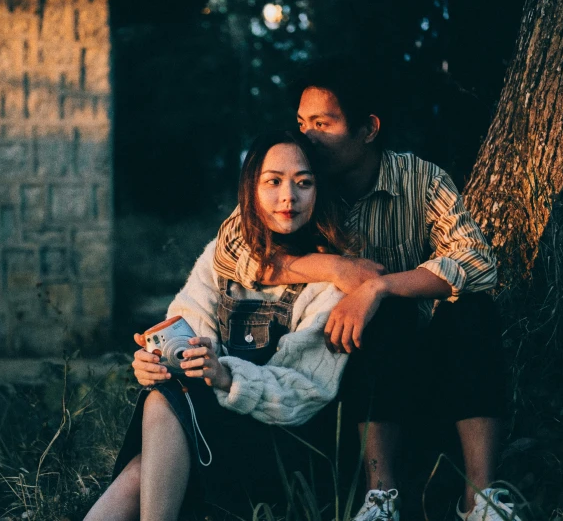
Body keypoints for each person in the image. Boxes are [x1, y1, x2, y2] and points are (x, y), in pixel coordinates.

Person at [212, 57, 520, 521]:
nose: (307, 136)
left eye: (323, 123)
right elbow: (232, 248)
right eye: (301, 122)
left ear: (368, 129)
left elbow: (476, 260)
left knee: (467, 310)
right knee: (383, 316)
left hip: (429, 376)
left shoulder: (419, 179)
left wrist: (376, 287)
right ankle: (380, 498)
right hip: (336, 382)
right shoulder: (300, 183)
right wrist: (334, 267)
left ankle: (481, 499)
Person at [84, 130, 352, 520]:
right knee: (163, 399)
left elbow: (306, 393)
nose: (288, 197)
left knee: (156, 449)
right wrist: (159, 360)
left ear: (319, 189)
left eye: (303, 183)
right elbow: (189, 323)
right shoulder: (224, 257)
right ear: (251, 189)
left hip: (285, 451)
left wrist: (225, 376)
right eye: (273, 181)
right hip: (218, 433)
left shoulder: (332, 280)